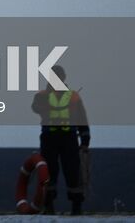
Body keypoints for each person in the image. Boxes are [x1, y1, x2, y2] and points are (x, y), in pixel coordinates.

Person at [30, 65, 90, 215]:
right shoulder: (42, 95)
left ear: (63, 78)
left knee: (73, 171)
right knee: (48, 172)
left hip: (68, 138)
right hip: (49, 138)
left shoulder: (73, 96)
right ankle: (48, 205)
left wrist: (85, 140)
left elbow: (82, 118)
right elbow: (35, 107)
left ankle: (76, 206)